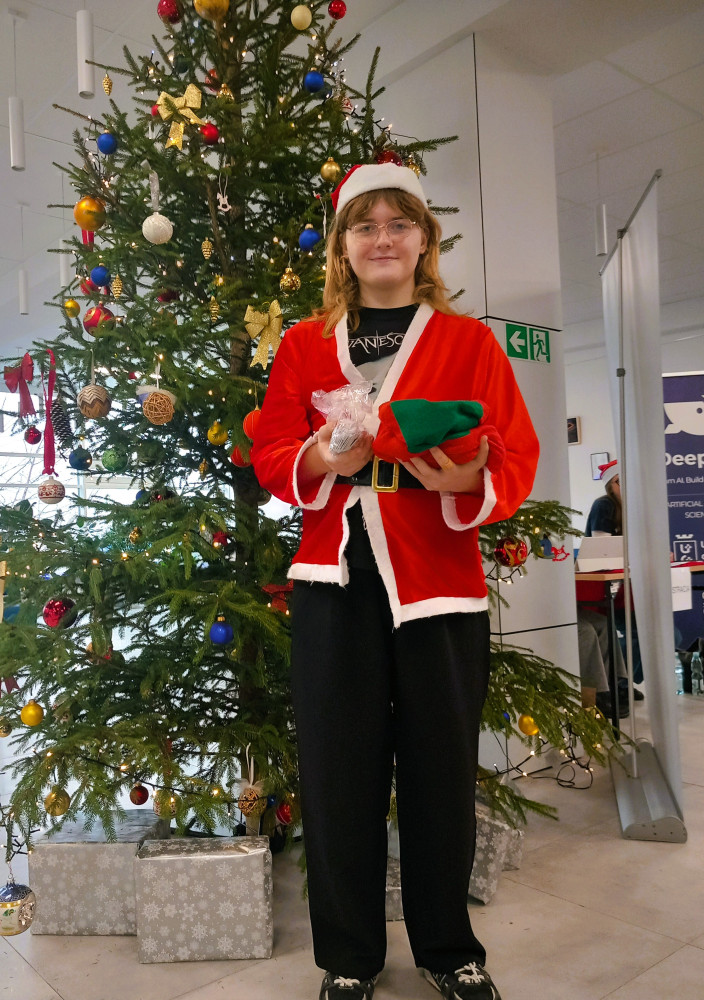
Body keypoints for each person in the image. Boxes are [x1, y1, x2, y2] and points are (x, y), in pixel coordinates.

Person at [252, 163, 539, 1000]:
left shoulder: (468, 342)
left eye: (399, 223)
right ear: (343, 246)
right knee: (337, 773)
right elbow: (272, 452)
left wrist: (469, 483)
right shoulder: (304, 344)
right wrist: (318, 457)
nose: (382, 238)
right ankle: (349, 959)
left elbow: (516, 452)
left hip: (438, 581)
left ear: (424, 241)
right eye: (365, 225)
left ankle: (448, 950)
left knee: (440, 771)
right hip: (332, 579)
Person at [584, 459, 644, 693]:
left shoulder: (633, 508)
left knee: (663, 633)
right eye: (621, 481)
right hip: (605, 586)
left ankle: (621, 681)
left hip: (627, 585)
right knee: (640, 633)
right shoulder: (604, 505)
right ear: (611, 484)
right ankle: (618, 682)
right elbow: (603, 546)